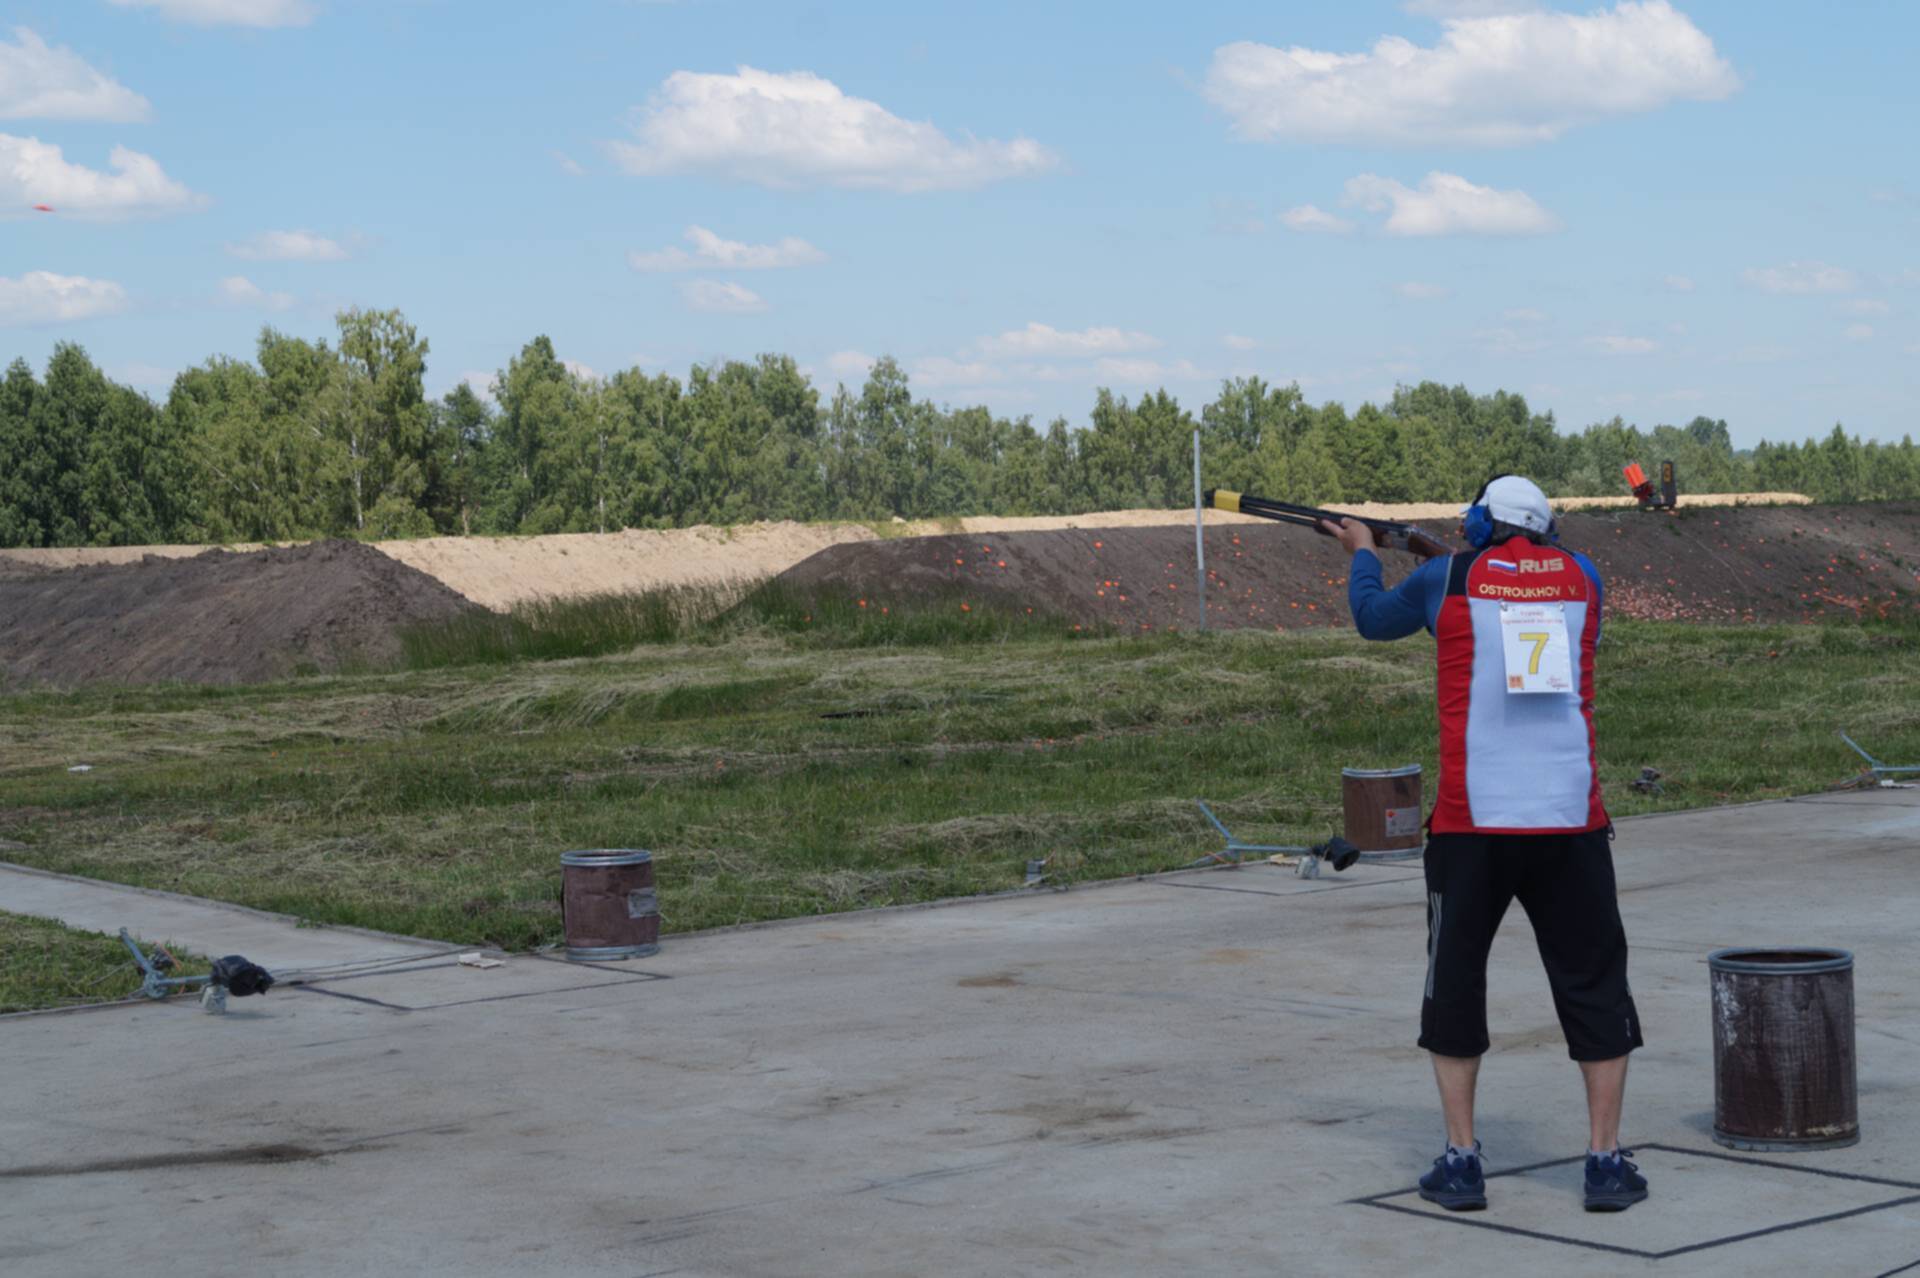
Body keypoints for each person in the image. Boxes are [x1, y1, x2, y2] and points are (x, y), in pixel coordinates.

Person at [1320, 475, 1648, 1214]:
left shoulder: (1448, 576)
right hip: (1571, 821)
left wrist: (1364, 551)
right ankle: (1604, 1161)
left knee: (1456, 983)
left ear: (1476, 523)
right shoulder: (1586, 579)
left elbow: (1373, 620)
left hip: (1472, 825)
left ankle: (1462, 1160)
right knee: (1594, 984)